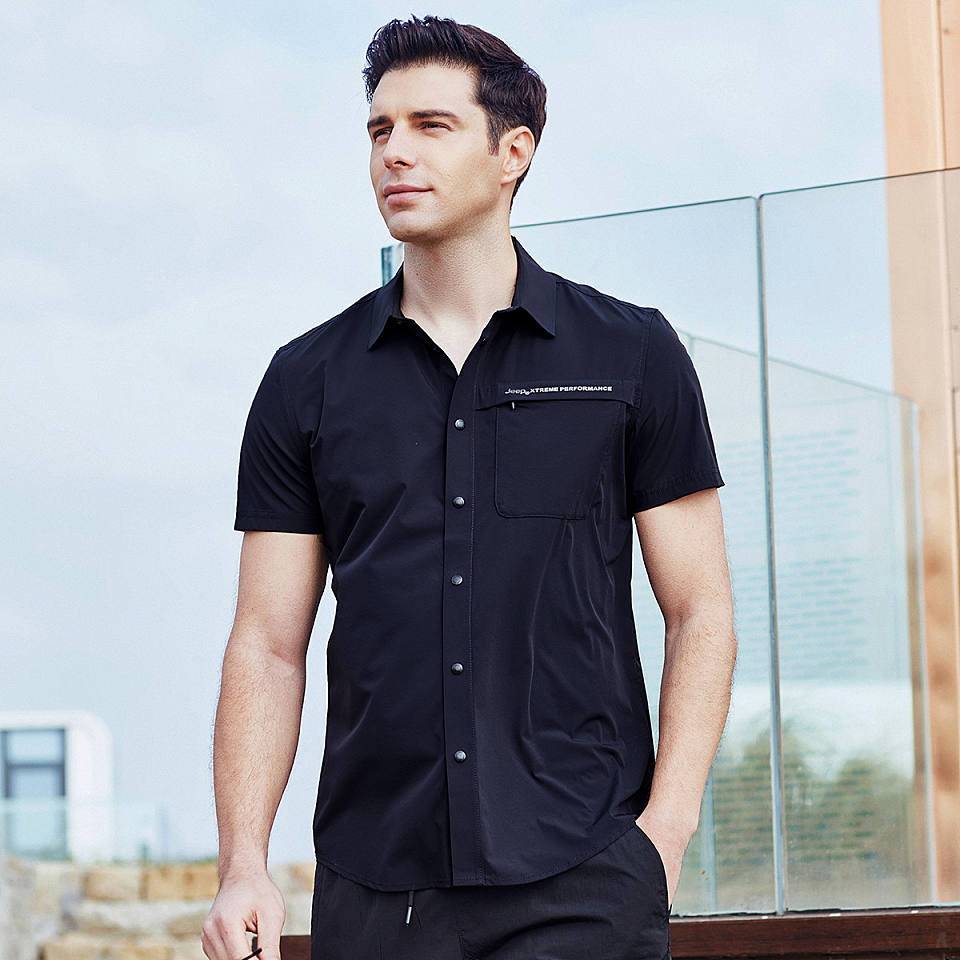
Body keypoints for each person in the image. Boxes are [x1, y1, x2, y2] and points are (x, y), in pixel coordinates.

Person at [201, 14, 736, 960]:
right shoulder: (306, 379)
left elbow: (700, 610)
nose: (394, 152)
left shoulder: (632, 354)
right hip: (377, 884)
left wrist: (665, 832)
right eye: (380, 129)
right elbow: (268, 644)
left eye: (430, 126)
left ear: (512, 154)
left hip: (584, 875)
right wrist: (243, 862)